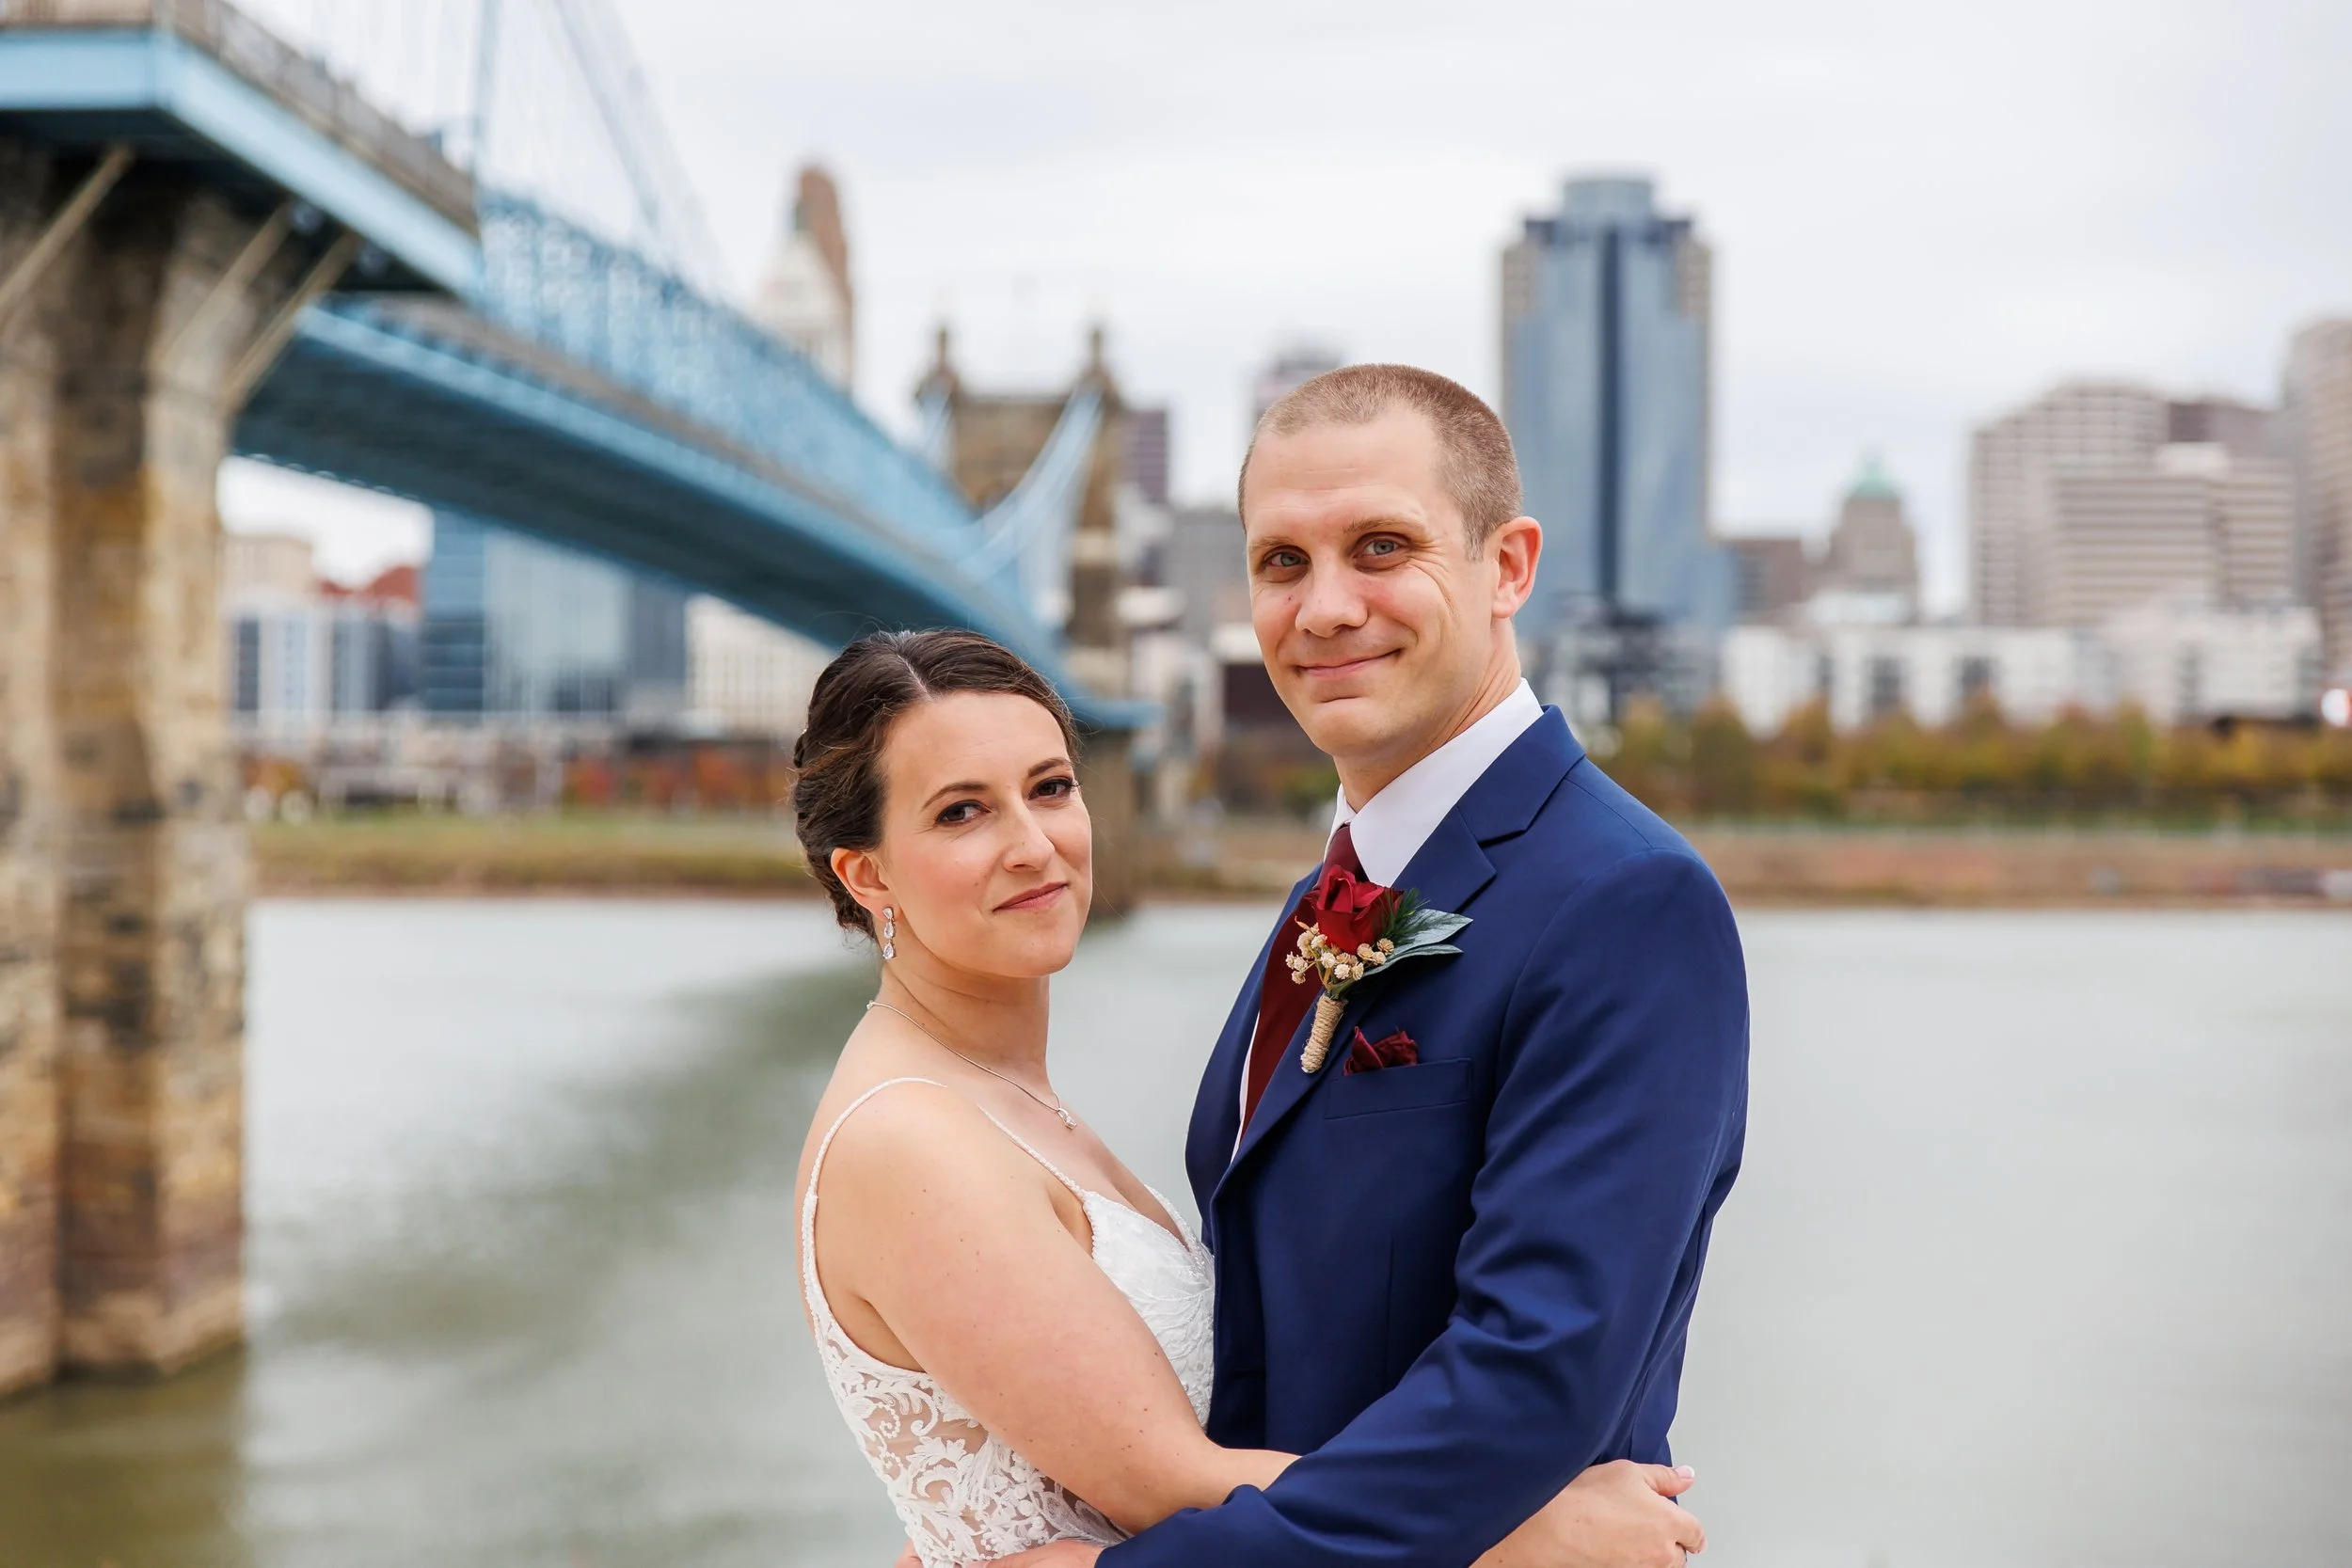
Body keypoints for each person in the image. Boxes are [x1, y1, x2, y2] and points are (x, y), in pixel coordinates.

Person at [991, 364, 1749, 1567]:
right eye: (1281, 561)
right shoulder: (1329, 893)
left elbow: (1526, 1380)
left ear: (1508, 566)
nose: (1325, 606)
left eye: (1380, 547)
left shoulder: (1627, 901)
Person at [794, 628, 1707, 1568]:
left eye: (1051, 787)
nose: (1034, 844)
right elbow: (1168, 1480)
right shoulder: (909, 1139)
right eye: (960, 813)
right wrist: (1508, 1535)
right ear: (865, 872)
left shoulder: (997, 1095)